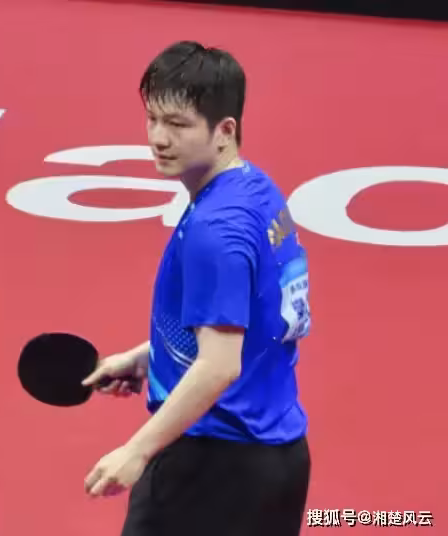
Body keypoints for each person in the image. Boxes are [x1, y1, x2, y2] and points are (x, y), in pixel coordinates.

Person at [81, 41, 312, 536]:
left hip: (210, 469)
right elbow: (253, 323)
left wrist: (136, 450)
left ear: (224, 130)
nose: (158, 139)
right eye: (152, 119)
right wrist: (149, 357)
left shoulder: (215, 230)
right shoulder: (257, 191)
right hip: (279, 461)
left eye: (178, 125)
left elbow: (219, 366)